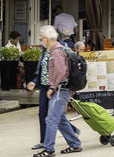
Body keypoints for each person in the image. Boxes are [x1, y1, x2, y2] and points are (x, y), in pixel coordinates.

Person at [34, 25, 81, 157]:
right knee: (60, 119)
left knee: (52, 119)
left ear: (48, 39)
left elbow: (61, 72)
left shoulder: (57, 52)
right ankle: (75, 143)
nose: (41, 40)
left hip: (61, 89)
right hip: (60, 89)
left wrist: (51, 88)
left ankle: (49, 149)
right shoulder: (55, 50)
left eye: (42, 38)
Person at [26, 43, 50, 151]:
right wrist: (34, 82)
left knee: (55, 115)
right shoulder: (43, 53)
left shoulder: (58, 50)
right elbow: (40, 72)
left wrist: (54, 87)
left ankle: (73, 135)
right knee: (42, 113)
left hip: (54, 87)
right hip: (44, 87)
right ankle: (43, 141)